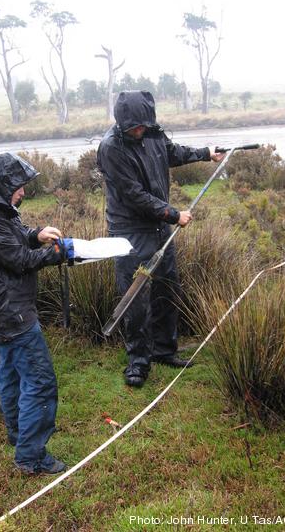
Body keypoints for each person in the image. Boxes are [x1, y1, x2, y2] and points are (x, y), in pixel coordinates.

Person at [97, 90, 225, 388]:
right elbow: (133, 195)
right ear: (121, 123)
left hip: (158, 227)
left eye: (142, 125)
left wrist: (206, 153)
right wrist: (172, 214)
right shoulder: (111, 148)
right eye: (133, 127)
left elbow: (172, 153)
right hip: (129, 231)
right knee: (136, 298)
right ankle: (138, 363)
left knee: (167, 287)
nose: (139, 131)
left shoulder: (152, 133)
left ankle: (164, 350)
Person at [0, 152, 74, 475]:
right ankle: (31, 457)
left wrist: (35, 233)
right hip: (11, 312)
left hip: (2, 310)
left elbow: (15, 239)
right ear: (1, 186)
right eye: (18, 186)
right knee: (40, 381)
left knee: (12, 373)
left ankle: (18, 434)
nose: (22, 192)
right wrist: (59, 254)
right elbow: (21, 260)